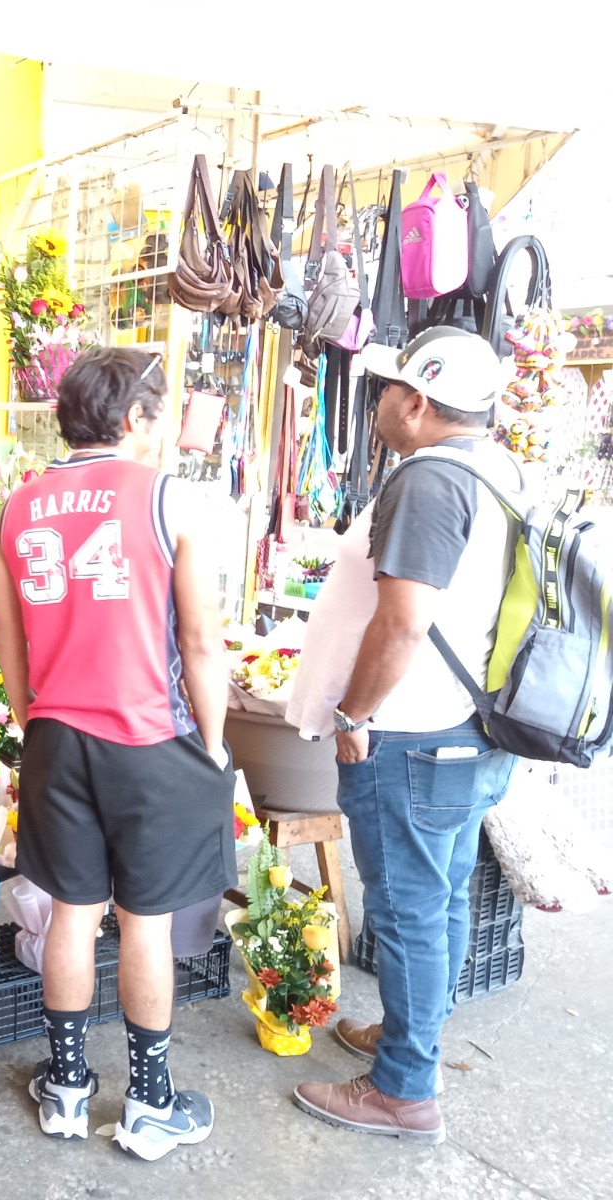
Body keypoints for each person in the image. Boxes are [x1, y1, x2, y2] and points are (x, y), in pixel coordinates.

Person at [0, 348, 235, 1161]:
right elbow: (200, 644)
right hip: (149, 740)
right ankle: (151, 1105)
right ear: (133, 418)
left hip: (57, 736)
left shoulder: (19, 506)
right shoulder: (167, 500)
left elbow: (12, 648)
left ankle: (64, 1090)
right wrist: (214, 742)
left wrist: (39, 725)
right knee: (146, 924)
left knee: (71, 911)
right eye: (157, 416)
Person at [288, 326, 521, 1145]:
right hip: (468, 730)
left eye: (387, 388)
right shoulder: (499, 470)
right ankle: (408, 1041)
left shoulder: (428, 481)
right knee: (441, 898)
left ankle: (403, 1090)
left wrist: (355, 717)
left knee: (409, 909)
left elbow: (403, 623)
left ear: (416, 402)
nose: (379, 399)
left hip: (413, 734)